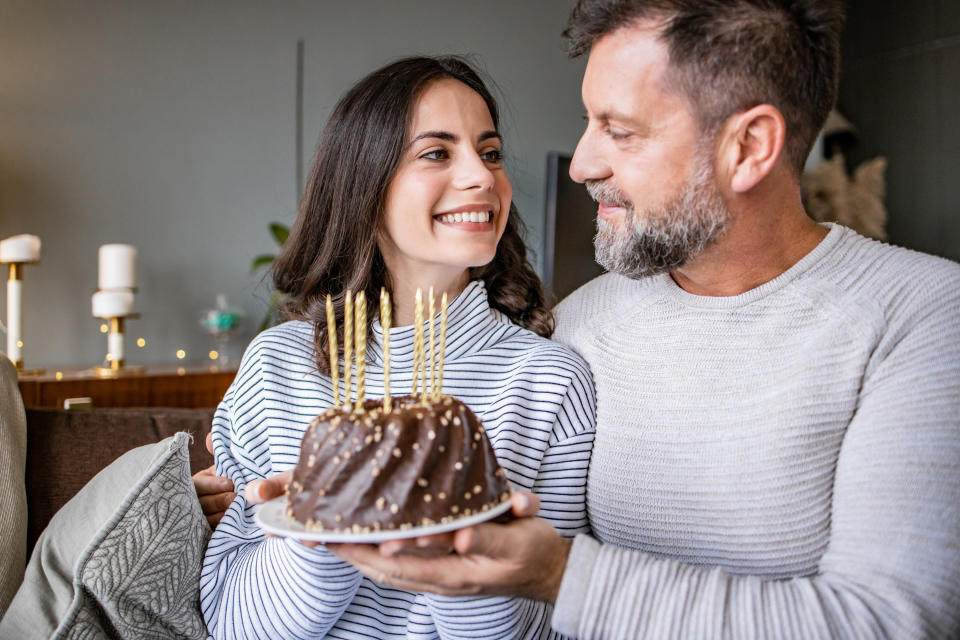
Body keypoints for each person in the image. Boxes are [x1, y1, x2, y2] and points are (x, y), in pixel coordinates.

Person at [280, 2, 958, 638]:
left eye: (620, 131)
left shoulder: (924, 318)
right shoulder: (580, 327)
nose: (582, 164)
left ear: (750, 147)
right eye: (588, 122)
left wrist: (558, 574)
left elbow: (889, 623)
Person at [198, 55, 596, 639]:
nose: (483, 177)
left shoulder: (551, 382)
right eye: (437, 152)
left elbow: (553, 625)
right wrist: (322, 530)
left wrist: (453, 553)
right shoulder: (276, 368)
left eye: (489, 153)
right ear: (363, 185)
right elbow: (231, 621)